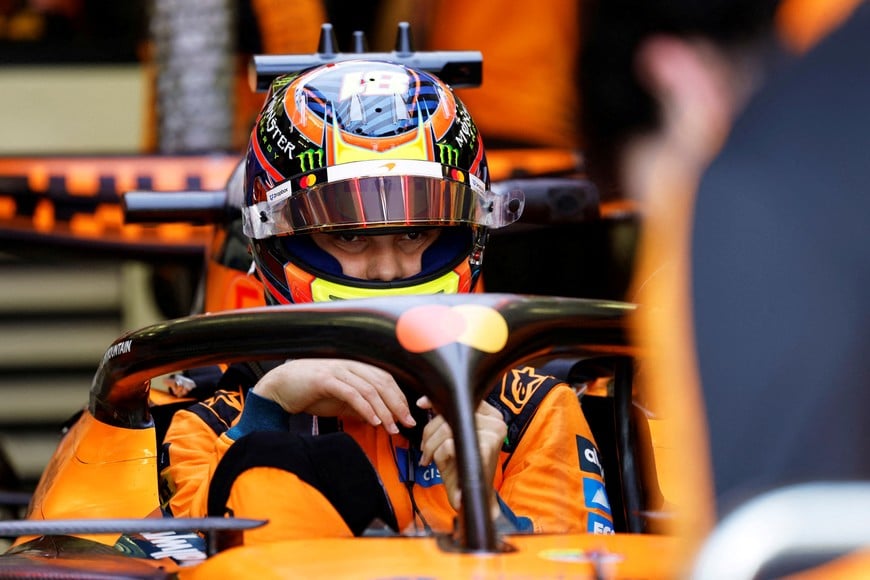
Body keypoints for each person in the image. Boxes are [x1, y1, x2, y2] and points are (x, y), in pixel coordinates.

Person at [158, 59, 614, 543]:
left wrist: (482, 504)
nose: (388, 269)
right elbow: (187, 561)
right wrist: (266, 416)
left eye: (416, 233)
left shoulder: (532, 410)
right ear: (277, 242)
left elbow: (574, 567)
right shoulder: (205, 420)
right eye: (348, 237)